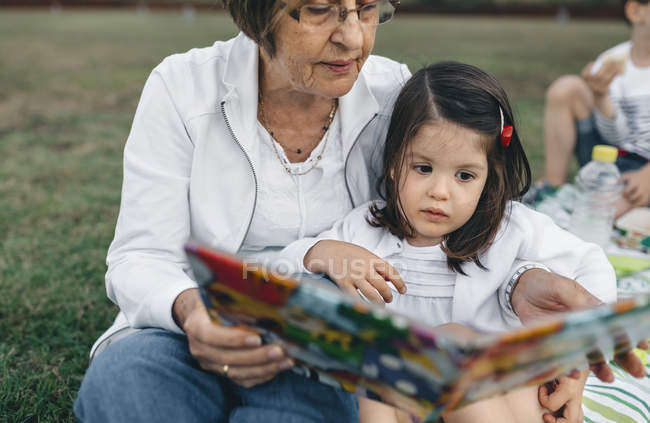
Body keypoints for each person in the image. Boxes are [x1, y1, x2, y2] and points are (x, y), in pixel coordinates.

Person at [74, 1, 646, 422]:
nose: (351, 37)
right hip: (185, 327)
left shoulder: (393, 94)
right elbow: (141, 256)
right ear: (256, 16)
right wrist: (193, 312)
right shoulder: (181, 89)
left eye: (368, 10)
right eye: (320, 11)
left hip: (324, 356)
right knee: (128, 391)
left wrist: (527, 292)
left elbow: (477, 224)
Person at [287, 61, 611, 423]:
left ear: (489, 178)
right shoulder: (364, 230)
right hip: (410, 404)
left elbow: (592, 266)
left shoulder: (509, 229)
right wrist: (321, 252)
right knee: (372, 364)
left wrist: (576, 356)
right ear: (394, 163)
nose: (440, 192)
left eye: (464, 176)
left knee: (450, 342)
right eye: (423, 168)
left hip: (497, 397)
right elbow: (280, 270)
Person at [539, 0, 650, 215]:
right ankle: (552, 188)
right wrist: (600, 96)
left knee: (599, 212)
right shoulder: (612, 62)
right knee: (567, 87)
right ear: (636, 11)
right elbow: (619, 137)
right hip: (612, 157)